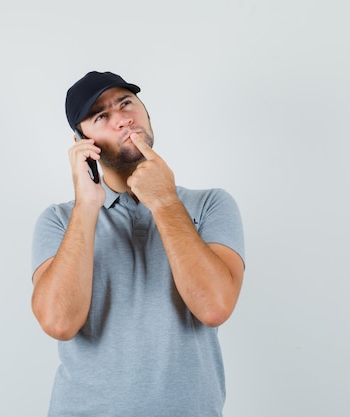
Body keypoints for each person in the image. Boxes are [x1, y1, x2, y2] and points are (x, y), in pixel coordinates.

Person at [31, 71, 245, 416]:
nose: (123, 119)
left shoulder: (211, 205)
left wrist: (164, 201)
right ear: (81, 142)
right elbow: (59, 323)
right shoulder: (58, 221)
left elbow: (214, 308)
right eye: (102, 116)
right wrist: (87, 205)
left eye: (126, 103)